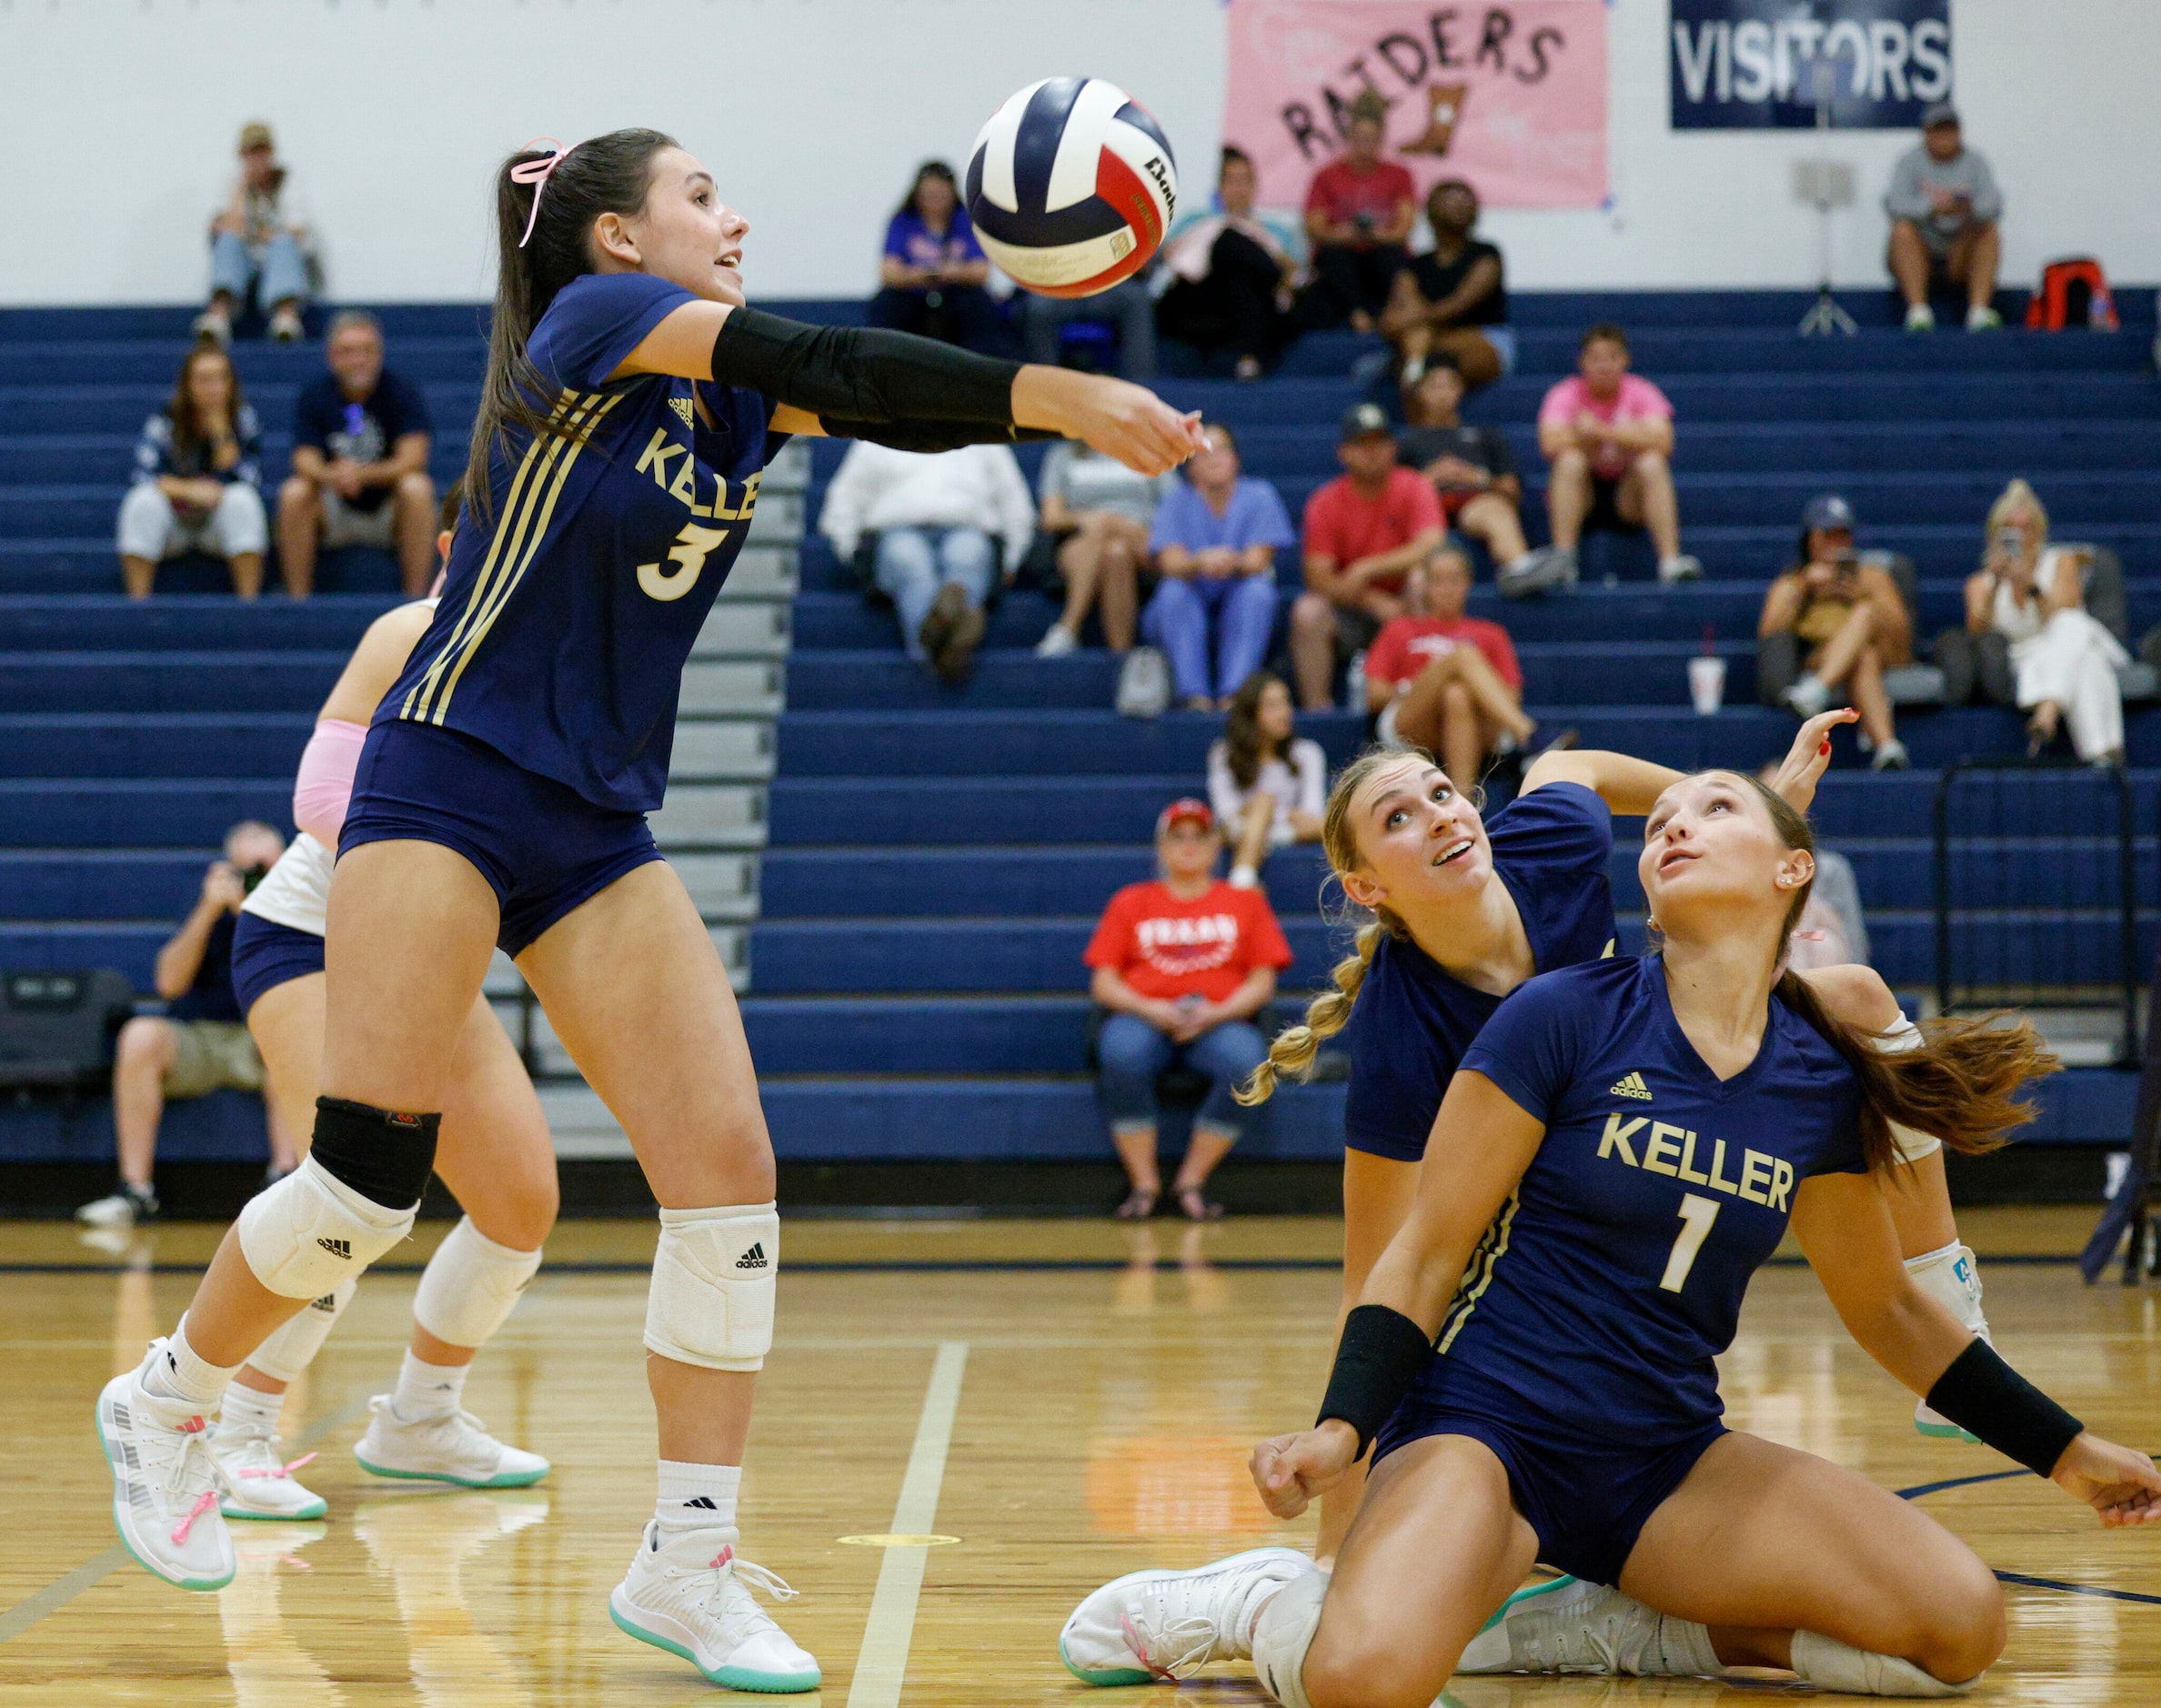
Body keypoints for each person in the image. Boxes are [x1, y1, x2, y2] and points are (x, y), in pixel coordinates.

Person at [93, 127, 1201, 1693]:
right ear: (616, 240)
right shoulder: (588, 330)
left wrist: (1042, 387)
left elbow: (874, 391)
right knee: (368, 1175)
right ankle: (173, 1392)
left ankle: (686, 1557)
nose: (734, 213)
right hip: (450, 772)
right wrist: (1058, 392)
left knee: (728, 1177)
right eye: (699, 193)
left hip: (593, 814)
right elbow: (828, 347)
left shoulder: (728, 393)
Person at [1065, 771, 2161, 1704]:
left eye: (1716, 808)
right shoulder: (1563, 1016)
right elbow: (1420, 1254)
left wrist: (2067, 1455)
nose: (1673, 823)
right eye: (1659, 822)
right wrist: (1342, 1434)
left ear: (1792, 872)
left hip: (1664, 1457)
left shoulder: (1816, 1077)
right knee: (1369, 1680)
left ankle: (1623, 1626)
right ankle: (1263, 1606)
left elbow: (1884, 1310)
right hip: (1487, 1434)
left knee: (1961, 1628)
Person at [216, 481, 554, 1518]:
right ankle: (232, 1429)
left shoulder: (553, 664)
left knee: (518, 1201)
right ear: (451, 546)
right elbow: (318, 804)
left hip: (427, 957)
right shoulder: (409, 630)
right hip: (313, 937)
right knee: (355, 1193)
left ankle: (419, 1418)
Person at [1085, 799, 1292, 1221]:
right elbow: (1104, 982)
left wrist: (1215, 1014)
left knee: (1247, 1061)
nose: (1189, 845)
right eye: (1178, 837)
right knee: (1121, 1053)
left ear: (1217, 846)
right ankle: (1144, 1184)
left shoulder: (1246, 902)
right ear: (1160, 847)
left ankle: (1190, 1182)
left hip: (1219, 1018)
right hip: (1145, 1015)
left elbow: (1262, 981)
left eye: (1200, 836)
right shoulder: (1130, 901)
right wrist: (1150, 1008)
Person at [75, 820, 288, 1230]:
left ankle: (285, 1181)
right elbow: (169, 983)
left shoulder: (301, 905)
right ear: (227, 869)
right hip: (199, 1039)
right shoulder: (203, 905)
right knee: (140, 1036)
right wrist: (209, 911)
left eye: (268, 869)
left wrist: (259, 919)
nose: (257, 879)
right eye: (248, 870)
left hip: (263, 1035)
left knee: (295, 1038)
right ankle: (135, 1192)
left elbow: (296, 986)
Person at [817, 438, 1036, 684]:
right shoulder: (876, 436)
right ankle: (951, 646)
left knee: (967, 557)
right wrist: (853, 553)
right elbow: (845, 497)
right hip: (897, 531)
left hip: (969, 528)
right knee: (910, 562)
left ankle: (932, 648)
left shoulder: (985, 437)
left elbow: (1013, 497)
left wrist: (1012, 558)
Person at [1951, 478, 2127, 763]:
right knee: (2089, 663)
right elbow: (1976, 631)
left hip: (2062, 645)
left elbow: (2061, 616)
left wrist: (2031, 587)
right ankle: (2104, 759)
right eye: (2011, 530)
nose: (2020, 537)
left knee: (2072, 624)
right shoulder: (1979, 582)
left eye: (2027, 528)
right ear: (1996, 534)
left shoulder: (2061, 562)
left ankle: (2048, 710)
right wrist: (1997, 583)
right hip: (2027, 660)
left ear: (2040, 530)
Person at [1291, 403, 1444, 711]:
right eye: (1362, 444)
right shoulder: (1326, 501)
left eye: (1380, 442)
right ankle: (1318, 711)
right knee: (1308, 611)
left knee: (1421, 579)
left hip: (1407, 604)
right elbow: (1318, 577)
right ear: (1343, 452)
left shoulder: (1414, 485)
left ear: (1394, 447)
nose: (1373, 452)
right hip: (1353, 609)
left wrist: (1367, 568)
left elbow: (1432, 543)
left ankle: (1418, 701)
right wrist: (1372, 600)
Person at [278, 311, 437, 598]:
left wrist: (360, 474)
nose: (358, 360)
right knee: (295, 493)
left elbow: (414, 458)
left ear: (379, 354)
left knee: (417, 488)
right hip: (334, 506)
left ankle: (417, 600)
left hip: (388, 509)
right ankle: (297, 601)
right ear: (331, 356)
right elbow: (304, 460)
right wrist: (335, 476)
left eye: (367, 351)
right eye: (348, 351)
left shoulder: (402, 393)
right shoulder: (315, 395)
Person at [1364, 548, 1548, 785]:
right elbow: (1374, 695)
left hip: (1475, 724)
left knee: (1457, 695)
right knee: (1461, 656)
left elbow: (1511, 697)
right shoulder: (1400, 629)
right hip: (1412, 719)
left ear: (1468, 583)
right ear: (1426, 586)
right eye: (1437, 580)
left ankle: (1463, 803)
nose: (1446, 589)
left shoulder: (1491, 633)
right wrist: (1425, 684)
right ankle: (1530, 736)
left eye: (1454, 580)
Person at [1142, 422, 1294, 708]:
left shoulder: (1259, 495)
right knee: (1173, 592)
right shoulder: (1176, 500)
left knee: (1257, 592)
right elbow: (1170, 562)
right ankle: (1194, 696)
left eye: (1221, 449)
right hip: (1188, 597)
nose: (1213, 457)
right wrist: (1200, 561)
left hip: (1237, 593)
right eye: (1203, 451)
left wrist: (1228, 560)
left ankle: (1235, 696)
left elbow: (1258, 560)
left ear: (1235, 459)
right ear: (1190, 466)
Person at [1537, 324, 1701, 587]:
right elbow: (1549, 443)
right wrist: (1626, 434)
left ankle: (1670, 560)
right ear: (1582, 362)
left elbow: (1664, 441)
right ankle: (1564, 560)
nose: (1604, 365)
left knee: (1652, 462)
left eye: (1612, 357)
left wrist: (1599, 431)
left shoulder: (1642, 391)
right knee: (1569, 461)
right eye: (1596, 358)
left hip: (1629, 497)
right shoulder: (1563, 393)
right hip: (1584, 496)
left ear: (1625, 360)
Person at [1757, 494, 1912, 770]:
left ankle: (1817, 690)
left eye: (1843, 535)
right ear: (1810, 539)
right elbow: (1771, 631)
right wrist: (1804, 587)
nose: (1836, 544)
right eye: (1828, 535)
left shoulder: (1871, 576)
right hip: (1822, 654)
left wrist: (1864, 594)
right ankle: (1887, 746)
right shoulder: (1794, 580)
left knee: (1865, 615)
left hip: (1883, 650)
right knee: (1862, 657)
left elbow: (1901, 631)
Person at [116, 342, 267, 598]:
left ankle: (249, 606)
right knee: (140, 503)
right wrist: (189, 490)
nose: (213, 389)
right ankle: (138, 604)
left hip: (218, 524)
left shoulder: (243, 419)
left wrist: (221, 434)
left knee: (244, 501)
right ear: (187, 385)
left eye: (221, 379)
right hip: (172, 522)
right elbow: (141, 475)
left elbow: (250, 478)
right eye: (204, 380)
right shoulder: (166, 419)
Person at [1393, 357, 1558, 593]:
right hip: (1427, 512)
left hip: (1474, 506)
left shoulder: (1487, 436)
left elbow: (1512, 490)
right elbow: (1391, 499)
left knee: (1492, 508)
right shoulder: (1407, 442)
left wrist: (1476, 477)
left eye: (1449, 385)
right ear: (1420, 392)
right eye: (1434, 386)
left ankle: (1520, 567)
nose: (1442, 394)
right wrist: (1427, 480)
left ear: (1460, 390)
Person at [1155, 147, 1299, 381]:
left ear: (1255, 186)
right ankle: (1249, 357)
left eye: (1245, 181)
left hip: (1255, 301)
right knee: (1228, 240)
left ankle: (1248, 359)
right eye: (1232, 181)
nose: (1239, 189)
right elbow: (1172, 261)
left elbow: (1295, 275)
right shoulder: (1195, 221)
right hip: (1201, 297)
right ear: (1220, 187)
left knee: (1240, 275)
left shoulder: (1277, 232)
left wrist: (1256, 238)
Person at [1032, 438, 1173, 659]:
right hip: (1083, 537)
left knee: (1112, 535)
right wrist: (1090, 519)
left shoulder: (1150, 449)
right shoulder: (1062, 455)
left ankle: (1068, 627)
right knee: (1114, 552)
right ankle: (1121, 660)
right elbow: (1051, 517)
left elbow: (1174, 507)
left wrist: (1117, 524)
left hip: (1139, 534)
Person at [1300, 91, 1415, 335]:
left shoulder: (1399, 175)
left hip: (1382, 256)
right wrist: (1344, 234)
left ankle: (1388, 313)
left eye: (1372, 138)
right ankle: (1357, 313)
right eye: (1361, 138)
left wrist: (1375, 235)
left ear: (1381, 138)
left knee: (1390, 256)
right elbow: (1316, 228)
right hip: (1342, 260)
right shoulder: (1326, 176)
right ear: (1349, 137)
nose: (1366, 146)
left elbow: (1404, 227)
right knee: (1334, 255)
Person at [1379, 178, 1510, 390]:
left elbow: (1457, 305)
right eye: (1449, 200)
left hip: (1480, 337)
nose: (1458, 206)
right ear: (1431, 210)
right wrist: (1406, 324)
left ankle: (1416, 364)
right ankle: (1416, 367)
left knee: (1429, 355)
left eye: (1464, 200)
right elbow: (1393, 316)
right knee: (1419, 351)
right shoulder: (1415, 266)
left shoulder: (1486, 255)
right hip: (1424, 339)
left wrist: (1413, 324)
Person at [1887, 104, 2004, 334]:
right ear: (1927, 134)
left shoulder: (1975, 162)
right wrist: (1932, 208)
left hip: (1960, 250)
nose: (1944, 138)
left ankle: (1979, 312)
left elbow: (1993, 205)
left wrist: (1967, 208)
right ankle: (1918, 312)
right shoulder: (1910, 162)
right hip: (1923, 247)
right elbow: (1895, 205)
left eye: (1949, 131)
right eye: (1938, 131)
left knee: (1989, 231)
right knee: (1902, 231)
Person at [868, 160, 1001, 354]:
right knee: (887, 305)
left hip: (956, 293)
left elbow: (981, 271)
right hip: (913, 294)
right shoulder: (903, 220)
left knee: (979, 306)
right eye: (928, 194)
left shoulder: (967, 221)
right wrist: (922, 275)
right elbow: (888, 272)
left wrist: (952, 273)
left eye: (940, 194)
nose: (934, 200)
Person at [1207, 673, 1325, 889]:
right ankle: (1243, 881)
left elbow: (1313, 819)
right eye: (1272, 706)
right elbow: (1226, 818)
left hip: (1271, 832)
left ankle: (1241, 883)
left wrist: (1261, 818)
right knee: (1263, 801)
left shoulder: (1308, 753)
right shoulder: (1223, 753)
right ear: (1251, 713)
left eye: (1286, 702)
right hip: (1244, 831)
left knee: (1264, 804)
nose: (1285, 713)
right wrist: (1270, 810)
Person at [197, 121, 311, 345]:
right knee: (228, 241)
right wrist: (242, 187)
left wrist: (265, 234)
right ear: (241, 155)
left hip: (279, 260)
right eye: (251, 153)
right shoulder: (232, 183)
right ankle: (219, 315)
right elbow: (228, 226)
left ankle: (286, 316)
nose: (257, 159)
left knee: (282, 242)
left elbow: (297, 229)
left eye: (262, 152)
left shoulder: (290, 181)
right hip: (246, 261)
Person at [1755, 758, 1870, 972]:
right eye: (1774, 797)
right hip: (1762, 973)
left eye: (1791, 798)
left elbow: (1855, 946)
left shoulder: (1832, 869)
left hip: (1821, 980)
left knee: (1818, 939)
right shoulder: (1743, 870)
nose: (1783, 806)